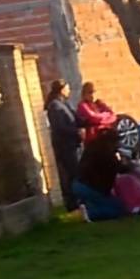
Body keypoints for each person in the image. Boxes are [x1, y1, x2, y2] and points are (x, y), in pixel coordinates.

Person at [73, 131, 140, 220]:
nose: (118, 145)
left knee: (110, 203)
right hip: (89, 187)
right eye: (116, 143)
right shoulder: (106, 154)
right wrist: (132, 168)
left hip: (79, 184)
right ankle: (90, 214)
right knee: (118, 208)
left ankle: (86, 208)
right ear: (111, 142)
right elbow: (120, 168)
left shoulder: (93, 148)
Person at [45, 80, 82, 211]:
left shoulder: (64, 103)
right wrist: (76, 132)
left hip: (72, 143)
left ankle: (78, 200)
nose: (69, 90)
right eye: (67, 88)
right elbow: (59, 127)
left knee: (75, 172)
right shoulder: (55, 106)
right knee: (71, 173)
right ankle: (72, 203)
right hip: (64, 145)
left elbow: (77, 119)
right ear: (61, 89)